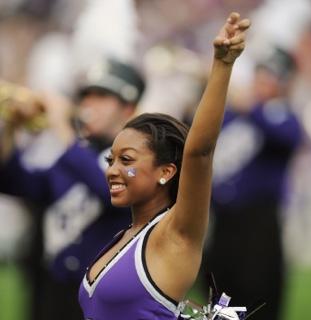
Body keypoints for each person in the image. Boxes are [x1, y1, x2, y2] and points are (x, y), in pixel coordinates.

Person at [78, 12, 250, 319]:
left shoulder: (175, 233)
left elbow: (199, 153)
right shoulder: (124, 235)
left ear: (166, 172)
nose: (112, 170)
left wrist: (222, 64)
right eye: (111, 160)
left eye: (126, 160)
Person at [0, 58, 145, 320]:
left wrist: (60, 125)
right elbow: (18, 183)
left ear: (128, 109)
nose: (88, 104)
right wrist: (12, 125)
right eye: (86, 96)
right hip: (53, 288)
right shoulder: (76, 155)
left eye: (101, 96)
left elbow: (112, 191)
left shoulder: (137, 159)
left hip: (100, 297)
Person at [203, 47, 302, 320]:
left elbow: (287, 137)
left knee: (257, 296)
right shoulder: (234, 114)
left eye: (272, 77)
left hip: (259, 224)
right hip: (223, 221)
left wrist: (252, 107)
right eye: (261, 74)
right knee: (218, 293)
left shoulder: (280, 115)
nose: (263, 82)